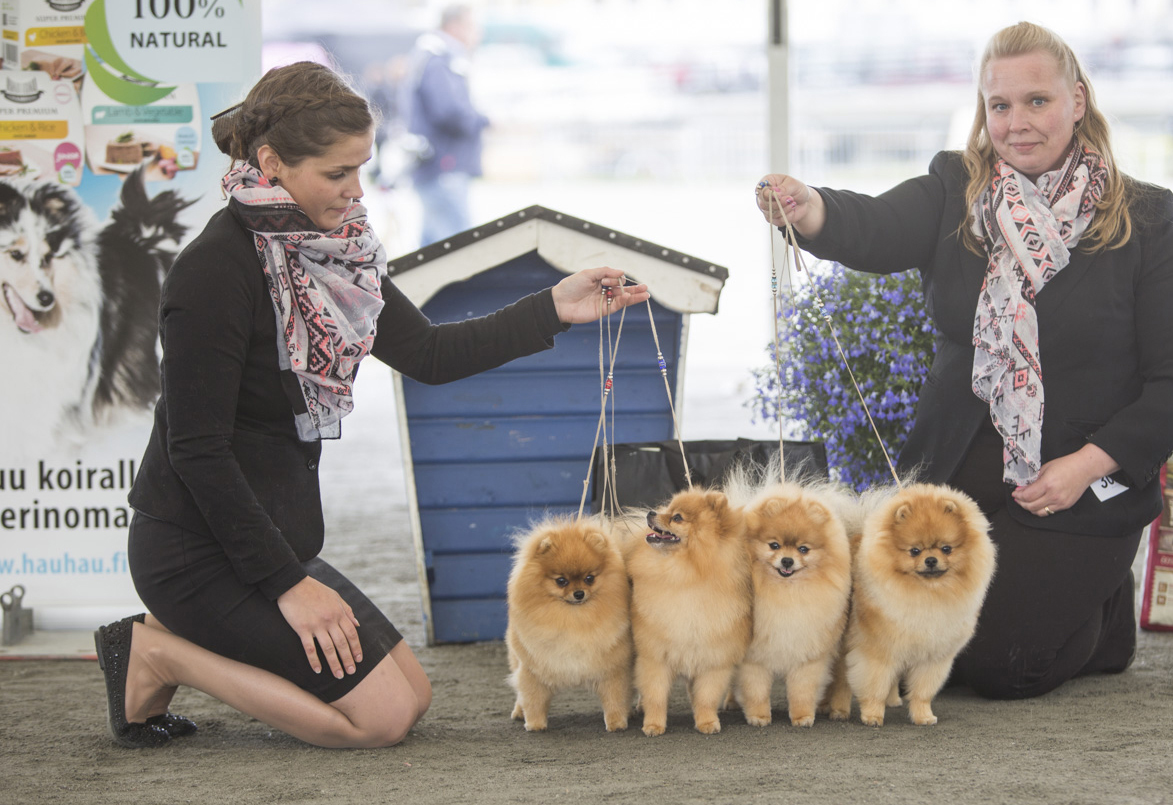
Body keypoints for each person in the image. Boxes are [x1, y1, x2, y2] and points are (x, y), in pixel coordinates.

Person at [92, 60, 649, 750]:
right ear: (271, 162)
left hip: (269, 542)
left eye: (362, 169)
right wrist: (289, 586)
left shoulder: (337, 253)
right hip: (195, 548)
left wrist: (553, 309)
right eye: (337, 174)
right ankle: (157, 651)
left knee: (412, 693)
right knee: (378, 719)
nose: (356, 191)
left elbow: (430, 355)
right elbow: (195, 450)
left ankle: (180, 640)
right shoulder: (213, 271)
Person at [755, 21, 1173, 700]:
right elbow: (874, 228)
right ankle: (1084, 600)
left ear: (1076, 100)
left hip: (1078, 482)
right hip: (957, 467)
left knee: (994, 665)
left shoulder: (1150, 222)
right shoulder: (956, 186)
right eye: (998, 105)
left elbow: (1168, 385)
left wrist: (1086, 465)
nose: (1015, 123)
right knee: (889, 632)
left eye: (1035, 101)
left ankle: (1097, 618)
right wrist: (809, 208)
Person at [402, 3, 490, 246]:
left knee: (433, 247)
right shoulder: (440, 57)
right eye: (473, 26)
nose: (477, 34)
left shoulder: (431, 54)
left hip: (438, 163)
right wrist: (482, 120)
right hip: (445, 162)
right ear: (455, 26)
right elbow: (449, 111)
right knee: (455, 248)